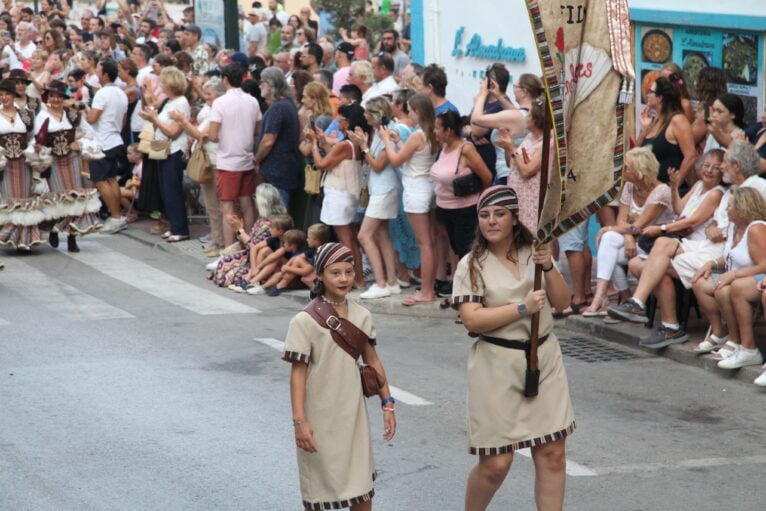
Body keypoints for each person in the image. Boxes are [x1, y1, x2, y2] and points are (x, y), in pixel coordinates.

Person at [452, 185, 574, 511]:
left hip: (543, 358)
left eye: (500, 214)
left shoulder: (536, 253)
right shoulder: (471, 264)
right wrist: (522, 308)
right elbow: (472, 320)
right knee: (496, 465)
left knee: (552, 455)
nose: (491, 221)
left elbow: (563, 302)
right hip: (495, 365)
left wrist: (548, 267)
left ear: (515, 219)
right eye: (484, 215)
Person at [609, 141, 766, 349]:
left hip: (726, 252)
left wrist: (664, 228)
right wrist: (712, 226)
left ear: (736, 166)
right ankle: (649, 310)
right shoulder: (731, 190)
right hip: (711, 247)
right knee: (660, 252)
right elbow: (715, 219)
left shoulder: (754, 188)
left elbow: (753, 222)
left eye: (722, 164)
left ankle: (665, 321)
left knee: (658, 262)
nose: (719, 168)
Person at [282, 242, 396, 511]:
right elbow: (297, 375)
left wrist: (387, 402)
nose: (344, 278)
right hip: (318, 417)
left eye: (348, 271)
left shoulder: (362, 314)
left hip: (353, 415)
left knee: (362, 492)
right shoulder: (304, 320)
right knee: (320, 493)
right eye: (336, 272)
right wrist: (299, 422)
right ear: (319, 275)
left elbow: (373, 361)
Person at [585, 149, 724, 324]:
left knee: (641, 255)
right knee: (609, 242)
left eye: (715, 168)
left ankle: (643, 308)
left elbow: (691, 221)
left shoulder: (715, 193)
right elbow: (681, 210)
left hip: (688, 244)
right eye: (706, 165)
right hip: (669, 241)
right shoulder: (697, 186)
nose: (709, 170)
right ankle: (614, 299)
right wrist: (675, 187)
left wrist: (662, 228)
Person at [692, 187, 766, 370]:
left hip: (753, 276)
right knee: (699, 282)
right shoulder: (734, 226)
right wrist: (711, 263)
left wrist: (733, 275)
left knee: (727, 288)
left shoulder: (756, 228)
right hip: (735, 276)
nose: (726, 209)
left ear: (743, 207)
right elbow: (730, 256)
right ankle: (722, 333)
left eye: (730, 205)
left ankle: (741, 343)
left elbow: (764, 264)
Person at [381, 93, 439, 305]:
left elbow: (396, 161)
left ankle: (426, 291)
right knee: (430, 241)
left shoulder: (417, 135)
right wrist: (397, 142)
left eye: (412, 110)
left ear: (419, 112)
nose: (409, 114)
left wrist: (387, 141)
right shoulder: (431, 132)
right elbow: (411, 158)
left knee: (425, 243)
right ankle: (429, 288)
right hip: (428, 186)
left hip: (416, 189)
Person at [34, 80, 102, 252]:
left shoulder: (72, 115)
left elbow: (90, 132)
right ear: (48, 98)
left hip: (71, 159)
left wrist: (78, 142)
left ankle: (72, 237)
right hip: (54, 161)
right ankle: (55, 227)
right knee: (58, 197)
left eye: (59, 96)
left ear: (63, 98)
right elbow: (37, 140)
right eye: (52, 96)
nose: (56, 99)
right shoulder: (42, 116)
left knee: (74, 197)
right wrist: (42, 148)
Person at [347, 96, 403, 299]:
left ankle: (380, 283)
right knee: (381, 235)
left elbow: (379, 165)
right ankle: (391, 281)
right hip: (381, 189)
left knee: (364, 235)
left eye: (367, 113)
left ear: (375, 114)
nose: (364, 116)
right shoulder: (378, 133)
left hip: (385, 190)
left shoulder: (388, 132)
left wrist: (363, 146)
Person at [308, 102, 367, 287]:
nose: (338, 121)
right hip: (345, 194)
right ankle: (357, 278)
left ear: (347, 121)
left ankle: (355, 278)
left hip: (340, 195)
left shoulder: (346, 144)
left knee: (346, 239)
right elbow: (334, 158)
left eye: (340, 118)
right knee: (349, 237)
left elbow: (322, 164)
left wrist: (315, 146)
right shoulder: (351, 143)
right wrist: (323, 141)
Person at [208, 63, 263, 247]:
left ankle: (229, 250)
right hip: (246, 159)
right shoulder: (252, 101)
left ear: (225, 79)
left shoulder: (220, 102)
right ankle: (250, 246)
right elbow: (257, 129)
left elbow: (213, 135)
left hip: (228, 162)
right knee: (247, 204)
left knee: (227, 208)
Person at [171, 77, 225, 256]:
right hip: (209, 159)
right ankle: (217, 240)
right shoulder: (211, 109)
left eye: (209, 94)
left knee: (215, 204)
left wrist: (182, 121)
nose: (206, 97)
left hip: (214, 160)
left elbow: (201, 135)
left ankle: (221, 243)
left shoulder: (218, 112)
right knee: (211, 205)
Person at [430, 110, 492, 258]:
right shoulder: (444, 147)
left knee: (467, 252)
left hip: (464, 210)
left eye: (437, 127)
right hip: (445, 208)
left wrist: (483, 200)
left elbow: (487, 176)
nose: (434, 131)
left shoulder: (466, 149)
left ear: (448, 131)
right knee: (457, 250)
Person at [138, 66, 190, 242]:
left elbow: (174, 131)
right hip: (162, 148)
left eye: (163, 82)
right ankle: (174, 225)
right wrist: (151, 116)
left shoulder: (181, 102)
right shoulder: (169, 101)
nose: (161, 85)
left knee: (172, 190)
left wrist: (154, 119)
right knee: (165, 190)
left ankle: (181, 228)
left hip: (174, 149)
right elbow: (154, 112)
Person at [85, 59, 128, 234]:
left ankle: (116, 216)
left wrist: (85, 110)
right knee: (111, 179)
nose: (96, 73)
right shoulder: (122, 93)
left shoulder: (102, 94)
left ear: (106, 75)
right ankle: (117, 216)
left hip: (102, 142)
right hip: (115, 139)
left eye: (99, 71)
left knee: (100, 181)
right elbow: (123, 121)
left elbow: (91, 119)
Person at [0, 79, 40, 251]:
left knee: (24, 199)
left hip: (24, 162)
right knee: (10, 198)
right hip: (5, 163)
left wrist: (33, 149)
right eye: (1, 95)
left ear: (14, 95)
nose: (4, 98)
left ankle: (24, 239)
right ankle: (10, 235)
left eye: (7, 94)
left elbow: (34, 136)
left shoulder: (26, 114)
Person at [637, 77, 696, 188]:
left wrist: (675, 185)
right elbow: (637, 152)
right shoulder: (653, 120)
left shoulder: (678, 120)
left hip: (667, 190)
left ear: (660, 98)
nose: (647, 94)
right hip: (649, 188)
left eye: (650, 92)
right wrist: (644, 128)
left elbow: (691, 156)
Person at [255, 67, 300, 209]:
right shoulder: (286, 105)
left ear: (271, 83)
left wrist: (257, 159)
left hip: (278, 172)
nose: (260, 85)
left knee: (276, 216)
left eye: (263, 82)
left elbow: (268, 141)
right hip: (282, 170)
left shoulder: (279, 108)